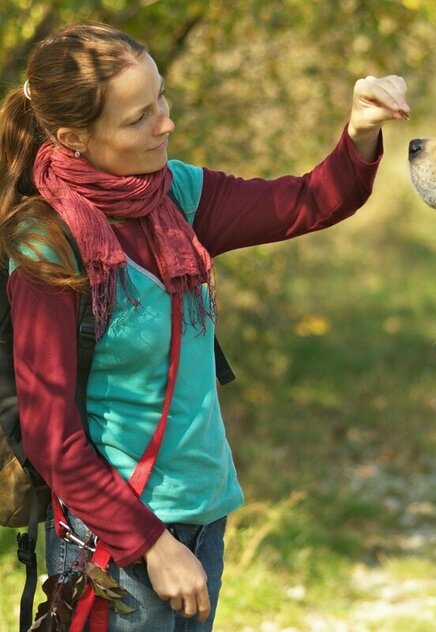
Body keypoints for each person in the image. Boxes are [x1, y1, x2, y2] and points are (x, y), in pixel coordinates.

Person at [0, 22, 409, 632]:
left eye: (161, 98)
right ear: (73, 138)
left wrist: (361, 130)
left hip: (203, 516)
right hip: (116, 540)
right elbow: (52, 439)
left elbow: (307, 201)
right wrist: (153, 546)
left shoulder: (177, 195)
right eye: (139, 117)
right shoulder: (47, 246)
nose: (165, 122)